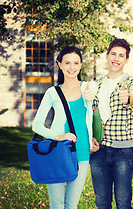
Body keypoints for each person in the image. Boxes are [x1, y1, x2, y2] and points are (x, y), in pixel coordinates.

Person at [32, 46, 99, 209]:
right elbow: (36, 125)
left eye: (76, 63)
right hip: (57, 152)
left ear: (81, 65)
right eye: (67, 63)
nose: (72, 67)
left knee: (71, 205)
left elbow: (94, 112)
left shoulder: (89, 88)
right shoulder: (52, 92)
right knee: (57, 204)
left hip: (82, 153)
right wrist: (58, 136)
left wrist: (92, 138)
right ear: (59, 65)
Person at [89, 38, 133, 209]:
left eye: (121, 55)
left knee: (123, 202)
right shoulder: (96, 84)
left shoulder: (131, 81)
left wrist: (128, 98)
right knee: (102, 202)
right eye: (113, 54)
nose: (116, 58)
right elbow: (90, 115)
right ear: (107, 56)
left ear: (126, 60)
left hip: (122, 151)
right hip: (98, 151)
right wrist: (90, 138)